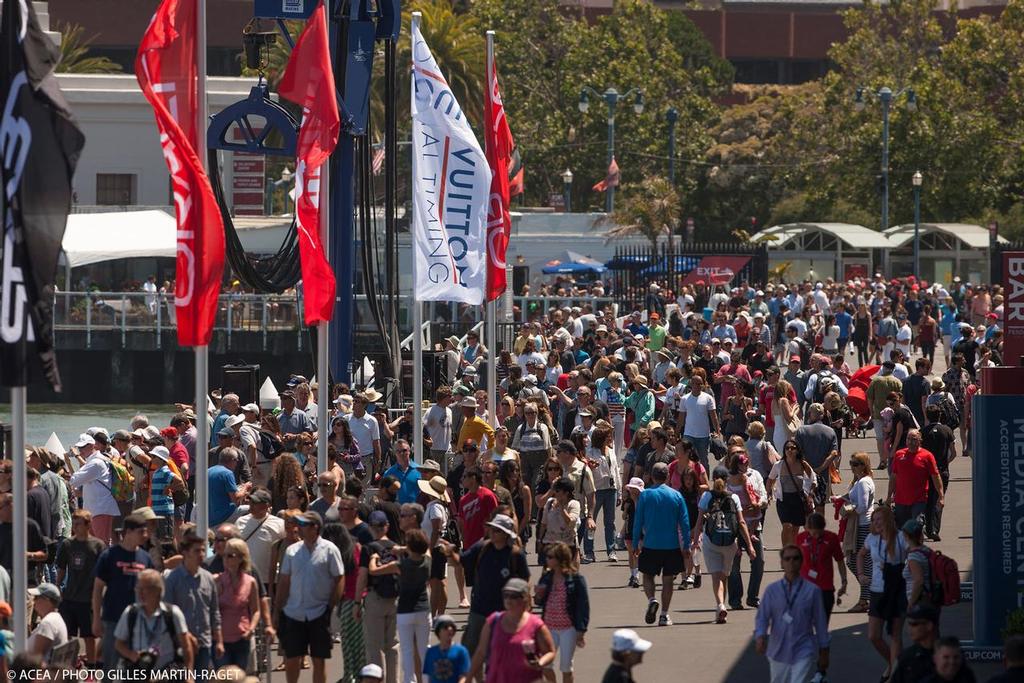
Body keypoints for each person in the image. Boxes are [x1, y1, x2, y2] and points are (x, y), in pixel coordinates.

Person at [440, 514, 530, 657]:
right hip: (479, 610)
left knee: (499, 654)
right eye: (491, 529)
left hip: (504, 613)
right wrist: (450, 553)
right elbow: (461, 561)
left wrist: (525, 610)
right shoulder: (482, 547)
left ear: (506, 534)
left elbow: (525, 582)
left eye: (497, 530)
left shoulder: (515, 555)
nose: (492, 533)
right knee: (470, 652)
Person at [275, 510, 344, 683]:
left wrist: (330, 607)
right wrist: (277, 610)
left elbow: (339, 578)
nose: (298, 528)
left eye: (303, 524)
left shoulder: (330, 550)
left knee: (318, 661)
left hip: (319, 613)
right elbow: (284, 582)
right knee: (292, 660)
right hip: (293, 613)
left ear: (315, 528)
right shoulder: (292, 551)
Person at [754, 545, 831, 683]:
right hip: (778, 650)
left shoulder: (812, 591)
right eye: (787, 558)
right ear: (782, 563)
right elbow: (762, 617)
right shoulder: (772, 590)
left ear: (801, 562)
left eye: (795, 558)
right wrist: (760, 636)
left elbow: (820, 622)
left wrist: (824, 649)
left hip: (803, 648)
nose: (791, 562)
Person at [631, 462, 691, 627]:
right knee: (668, 580)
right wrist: (686, 545)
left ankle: (652, 599)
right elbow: (685, 522)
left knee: (647, 576)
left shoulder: (645, 495)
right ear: (668, 476)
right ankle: (664, 615)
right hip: (671, 545)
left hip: (650, 544)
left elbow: (638, 521)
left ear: (651, 476)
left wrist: (635, 542)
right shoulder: (676, 495)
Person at [693, 468, 756, 624]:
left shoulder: (707, 496)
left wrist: (695, 542)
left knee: (716, 577)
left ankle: (720, 604)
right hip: (730, 543)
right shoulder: (733, 497)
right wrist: (749, 545)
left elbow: (699, 521)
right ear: (727, 479)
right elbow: (741, 522)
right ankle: (721, 606)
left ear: (714, 479)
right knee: (724, 576)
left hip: (711, 541)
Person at [93, 513, 154, 670]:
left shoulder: (146, 558)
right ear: (128, 532)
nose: (145, 535)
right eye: (141, 532)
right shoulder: (109, 556)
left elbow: (153, 590)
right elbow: (98, 588)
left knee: (137, 670)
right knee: (111, 669)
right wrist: (96, 619)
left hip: (139, 622)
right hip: (113, 619)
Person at [467, 577, 555, 683]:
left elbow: (550, 652)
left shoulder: (536, 625)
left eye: (513, 596)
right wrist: (468, 678)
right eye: (506, 595)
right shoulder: (493, 621)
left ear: (525, 598)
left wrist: (540, 663)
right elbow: (481, 652)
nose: (508, 599)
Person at [856, 504, 908, 681]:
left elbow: (916, 554)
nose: (876, 523)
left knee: (895, 635)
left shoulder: (901, 538)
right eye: (874, 520)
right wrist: (861, 574)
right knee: (874, 636)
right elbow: (860, 555)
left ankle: (894, 674)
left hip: (898, 591)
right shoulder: (871, 538)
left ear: (888, 519)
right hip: (877, 591)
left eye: (879, 519)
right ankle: (894, 663)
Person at [163, 533, 223, 671]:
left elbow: (214, 612)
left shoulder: (208, 578)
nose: (202, 554)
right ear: (185, 553)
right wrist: (186, 636)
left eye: (203, 550)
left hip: (204, 644)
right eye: (197, 551)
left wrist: (219, 641)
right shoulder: (173, 580)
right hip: (180, 645)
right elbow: (167, 614)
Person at [114, 569, 192, 671]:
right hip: (139, 672)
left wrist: (189, 675)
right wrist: (132, 655)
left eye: (145, 589)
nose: (140, 593)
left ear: (158, 590)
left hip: (166, 674)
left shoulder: (172, 613)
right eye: (138, 588)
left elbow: (186, 646)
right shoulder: (131, 613)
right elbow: (118, 644)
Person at [534, 542, 589, 683]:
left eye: (550, 557)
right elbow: (539, 602)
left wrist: (581, 630)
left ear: (560, 559)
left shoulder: (576, 579)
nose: (547, 559)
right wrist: (538, 596)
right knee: (545, 665)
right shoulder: (546, 577)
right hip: (548, 628)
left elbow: (583, 606)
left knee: (566, 667)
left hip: (568, 629)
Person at [56, 510, 104, 668]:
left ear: (88, 525)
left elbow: (103, 573)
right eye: (74, 524)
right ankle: (68, 666)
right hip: (69, 597)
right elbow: (62, 569)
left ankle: (91, 668)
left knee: (89, 637)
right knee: (67, 636)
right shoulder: (67, 544)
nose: (75, 527)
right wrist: (57, 588)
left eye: (78, 524)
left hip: (88, 599)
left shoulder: (98, 545)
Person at [358, 511, 400, 683]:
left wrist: (356, 601)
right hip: (395, 599)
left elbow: (362, 576)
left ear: (370, 528)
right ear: (387, 527)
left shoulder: (368, 549)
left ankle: (376, 680)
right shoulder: (396, 547)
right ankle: (393, 680)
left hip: (375, 597)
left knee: (375, 646)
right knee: (393, 645)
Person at [393, 530, 432, 683]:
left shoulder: (401, 565)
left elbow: (374, 570)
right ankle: (428, 680)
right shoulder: (427, 562)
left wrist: (400, 550)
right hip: (423, 610)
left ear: (409, 546)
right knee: (424, 649)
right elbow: (427, 549)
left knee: (407, 651)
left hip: (405, 611)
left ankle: (409, 681)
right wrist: (407, 548)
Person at [215, 539, 260, 670]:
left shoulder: (250, 582)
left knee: (240, 677)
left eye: (230, 555)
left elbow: (256, 610)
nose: (226, 559)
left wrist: (251, 629)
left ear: (241, 558)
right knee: (224, 677)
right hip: (221, 639)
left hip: (242, 638)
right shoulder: (217, 580)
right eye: (225, 555)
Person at [839, 452, 876, 614]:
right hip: (862, 526)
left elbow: (862, 507)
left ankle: (866, 598)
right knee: (859, 561)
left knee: (856, 561)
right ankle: (868, 597)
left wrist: (848, 508)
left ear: (863, 465)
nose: (852, 467)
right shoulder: (861, 481)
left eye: (855, 464)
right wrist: (840, 498)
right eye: (851, 463)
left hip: (863, 526)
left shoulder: (863, 483)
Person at [795, 513, 848, 621]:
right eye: (813, 533)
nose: (817, 536)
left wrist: (844, 581)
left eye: (819, 533)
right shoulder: (800, 538)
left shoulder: (832, 538)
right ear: (807, 528)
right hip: (805, 588)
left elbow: (840, 560)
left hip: (825, 588)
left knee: (822, 625)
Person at [888, 429, 944, 528]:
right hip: (900, 500)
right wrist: (889, 496)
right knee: (902, 529)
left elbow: (935, 476)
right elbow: (893, 477)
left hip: (919, 500)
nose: (910, 442)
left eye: (914, 439)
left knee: (916, 526)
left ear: (920, 441)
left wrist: (941, 496)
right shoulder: (899, 455)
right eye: (908, 439)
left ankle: (918, 543)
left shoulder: (927, 456)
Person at [766, 439, 815, 547]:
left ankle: (794, 549)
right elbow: (770, 479)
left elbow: (813, 479)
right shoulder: (779, 465)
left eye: (793, 448)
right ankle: (785, 550)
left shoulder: (802, 464)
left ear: (797, 450)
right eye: (787, 448)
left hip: (799, 500)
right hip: (784, 500)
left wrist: (810, 494)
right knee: (787, 526)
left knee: (795, 528)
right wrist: (768, 493)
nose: (790, 450)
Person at [235, 488, 286, 586]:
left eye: (255, 502)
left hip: (268, 580)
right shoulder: (240, 522)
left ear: (266, 506)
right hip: (244, 578)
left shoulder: (279, 524)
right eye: (251, 501)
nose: (251, 504)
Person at [794, 404, 839, 515]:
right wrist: (821, 468)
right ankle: (819, 530)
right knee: (820, 506)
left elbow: (797, 452)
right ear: (823, 415)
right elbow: (834, 453)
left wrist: (808, 468)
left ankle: (809, 530)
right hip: (822, 476)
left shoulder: (801, 431)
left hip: (804, 475)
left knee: (805, 506)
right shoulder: (830, 431)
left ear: (809, 414)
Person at [921, 405, 956, 542]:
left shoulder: (923, 431)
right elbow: (953, 453)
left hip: (926, 471)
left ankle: (929, 527)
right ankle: (935, 528)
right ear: (940, 415)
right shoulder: (947, 430)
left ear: (927, 416)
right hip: (942, 469)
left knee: (928, 499)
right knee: (939, 499)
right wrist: (946, 462)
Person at [679, 375, 720, 472]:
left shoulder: (708, 398)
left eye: (700, 384)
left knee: (703, 460)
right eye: (696, 384)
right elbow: (681, 418)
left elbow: (714, 417)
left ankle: (705, 483)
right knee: (687, 459)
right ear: (691, 384)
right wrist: (677, 432)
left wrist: (717, 431)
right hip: (688, 435)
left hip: (703, 435)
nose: (698, 386)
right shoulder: (684, 399)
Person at [209, 447, 252, 526]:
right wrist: (245, 487)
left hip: (209, 516)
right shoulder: (227, 473)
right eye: (236, 460)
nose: (237, 463)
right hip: (224, 516)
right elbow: (235, 499)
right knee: (254, 509)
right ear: (232, 460)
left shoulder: (208, 471)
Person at [26, 583, 68, 665]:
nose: (33, 601)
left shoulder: (48, 623)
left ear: (47, 600)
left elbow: (37, 657)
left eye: (36, 597)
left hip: (35, 674)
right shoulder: (56, 618)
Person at [423, 615, 471, 683]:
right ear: (438, 631)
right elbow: (429, 676)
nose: (449, 629)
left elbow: (464, 676)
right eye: (445, 627)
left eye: (452, 627)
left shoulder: (461, 651)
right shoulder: (431, 652)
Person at [384, 440, 422, 505]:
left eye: (404, 451)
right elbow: (384, 494)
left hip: (415, 511)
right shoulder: (388, 473)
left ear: (409, 452)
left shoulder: (420, 470)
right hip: (397, 511)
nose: (401, 453)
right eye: (398, 451)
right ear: (395, 453)